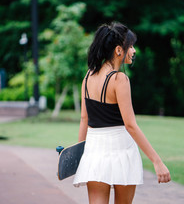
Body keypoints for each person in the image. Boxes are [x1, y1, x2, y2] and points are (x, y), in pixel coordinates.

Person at [73, 22, 171, 204]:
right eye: (131, 46)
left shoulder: (88, 77)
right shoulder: (119, 79)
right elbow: (130, 125)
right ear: (119, 50)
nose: (133, 51)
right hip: (121, 150)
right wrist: (157, 161)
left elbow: (84, 119)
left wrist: (78, 155)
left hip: (94, 152)